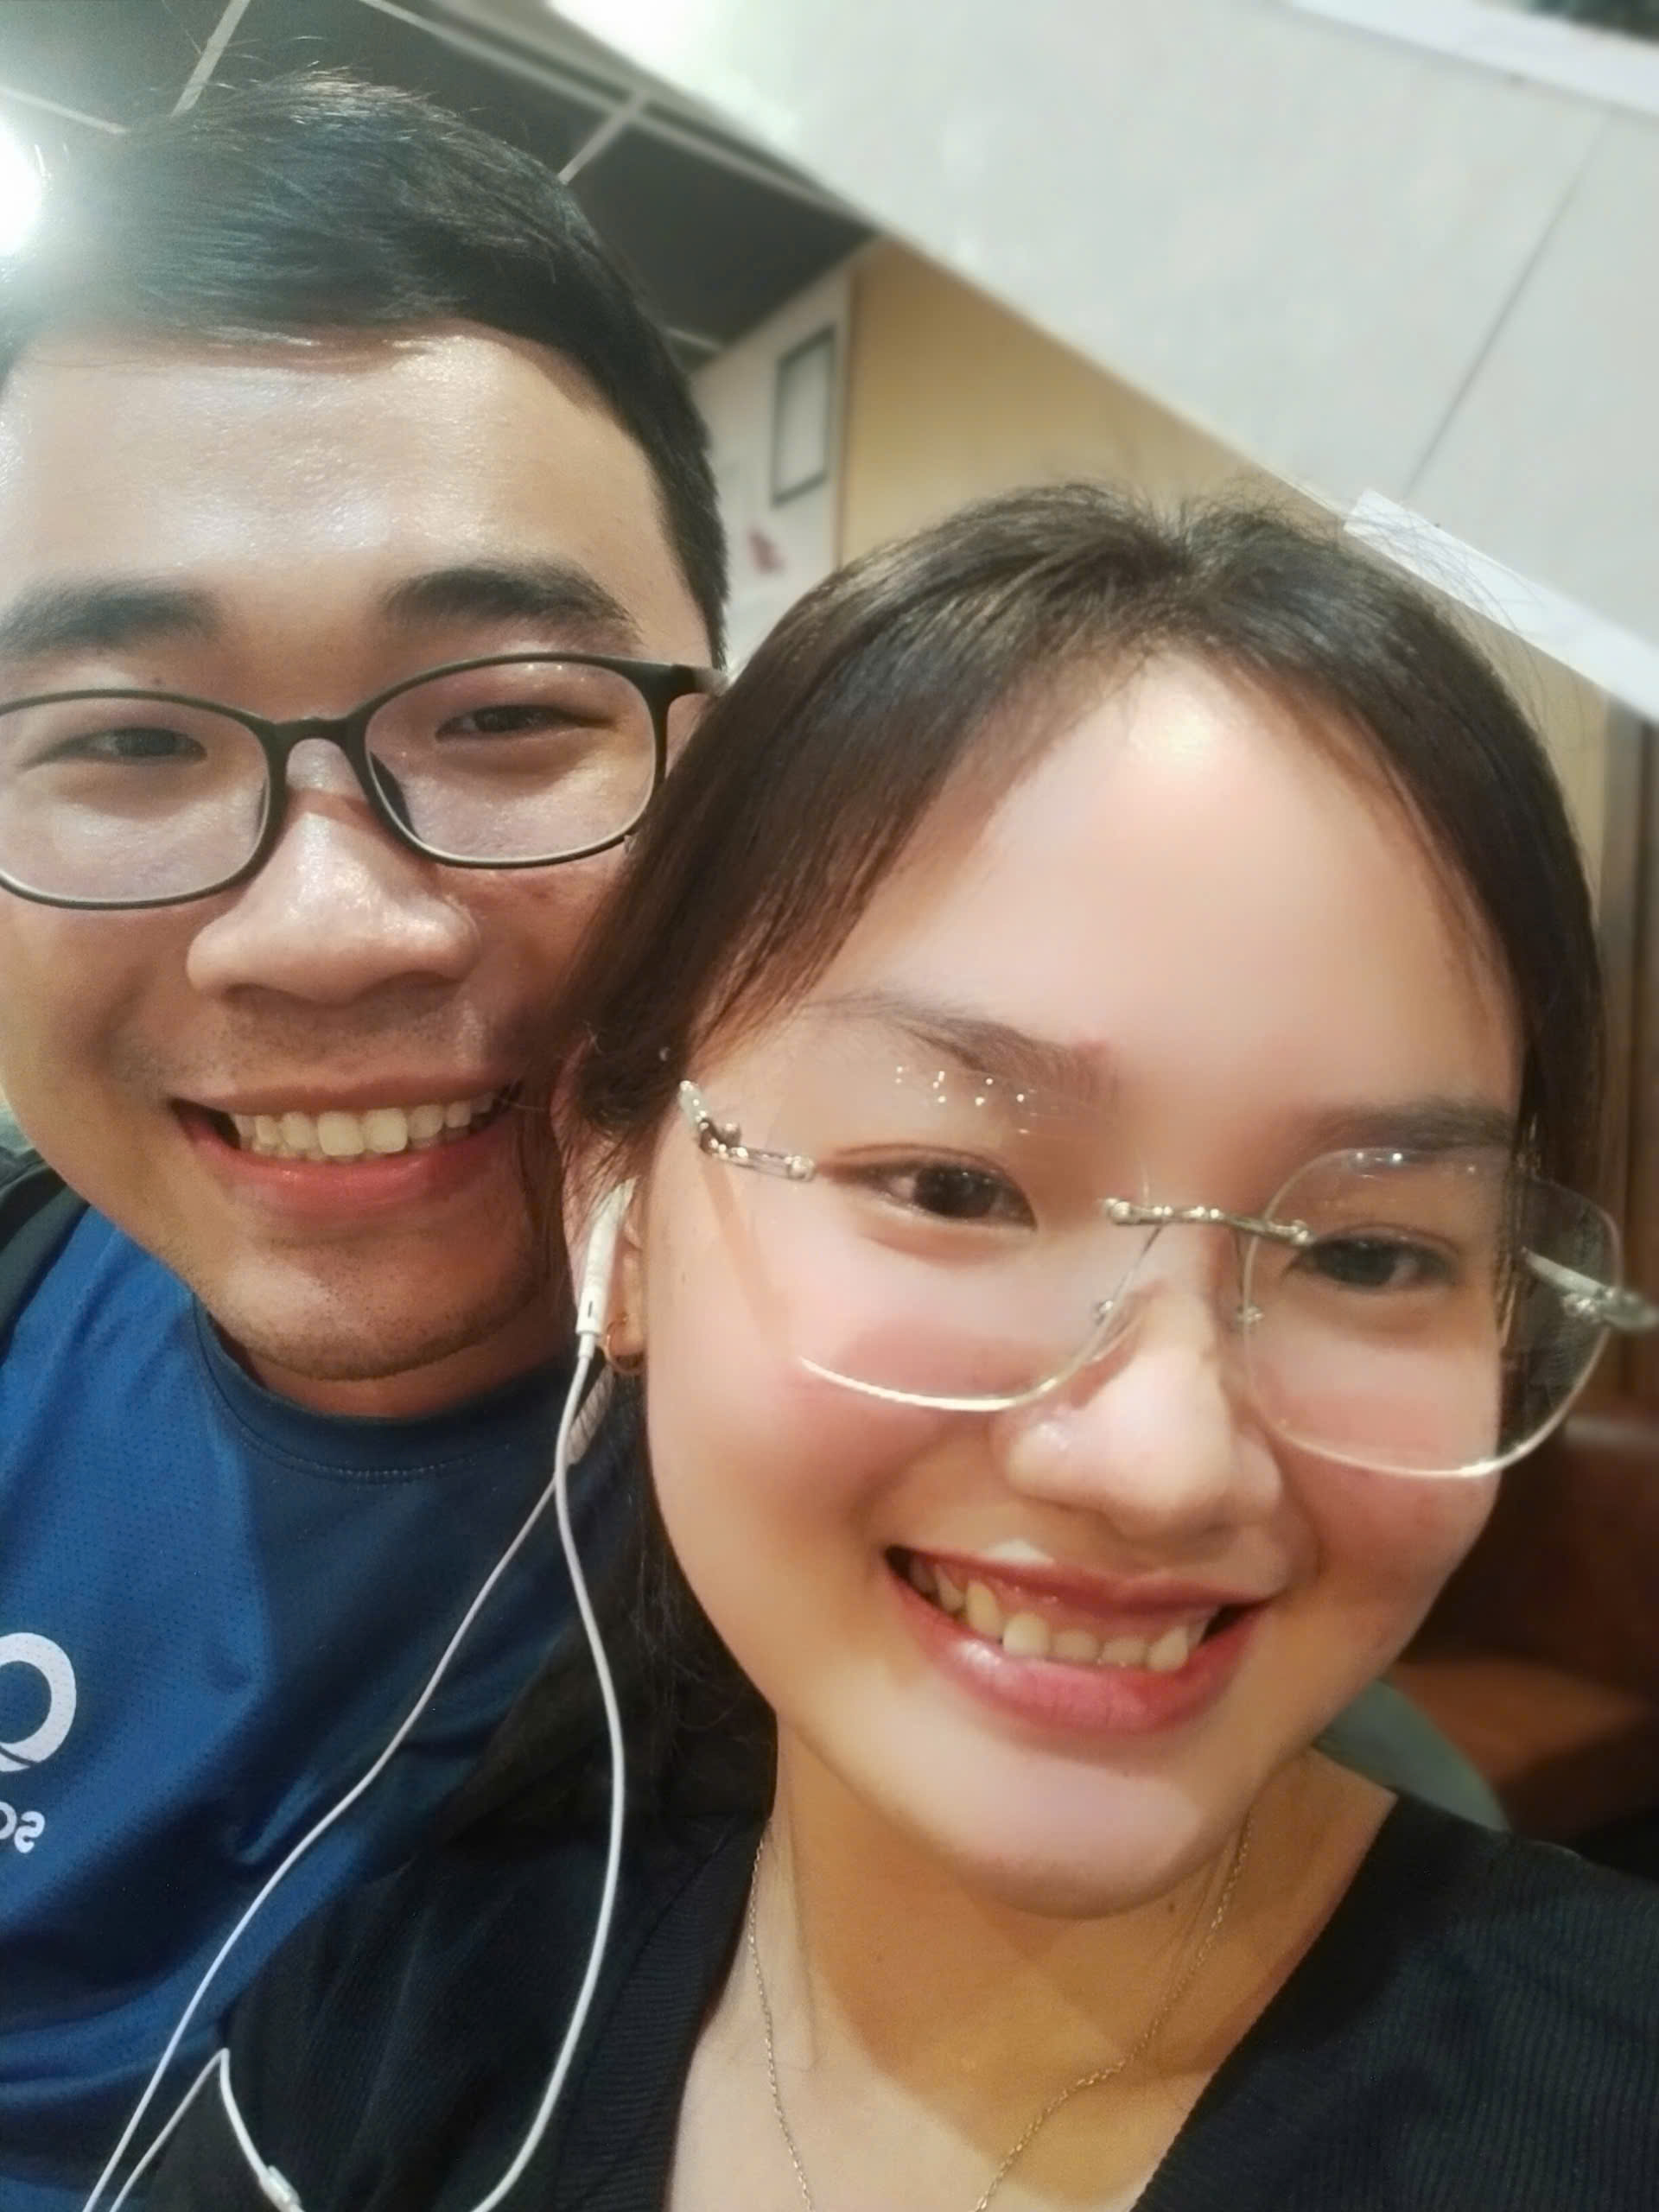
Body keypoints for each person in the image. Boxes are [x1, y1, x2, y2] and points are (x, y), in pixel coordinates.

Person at [154, 485, 1659, 2209]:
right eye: (954, 1184)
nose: (1164, 1460)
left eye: (1372, 1252)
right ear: (614, 1205)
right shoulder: (396, 2032)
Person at [0, 73, 723, 2210]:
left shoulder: (910, 1554)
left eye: (503, 714)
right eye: (127, 740)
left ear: (737, 764)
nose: (322, 929)